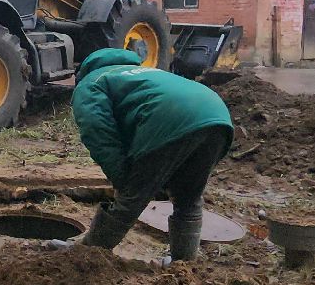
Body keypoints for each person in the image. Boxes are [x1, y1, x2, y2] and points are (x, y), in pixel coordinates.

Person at [65, 47, 234, 260]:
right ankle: (184, 265)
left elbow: (97, 130)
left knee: (130, 199)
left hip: (168, 119)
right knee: (188, 196)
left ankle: (84, 257)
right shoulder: (147, 73)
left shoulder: (92, 81)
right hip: (216, 114)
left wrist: (122, 178)